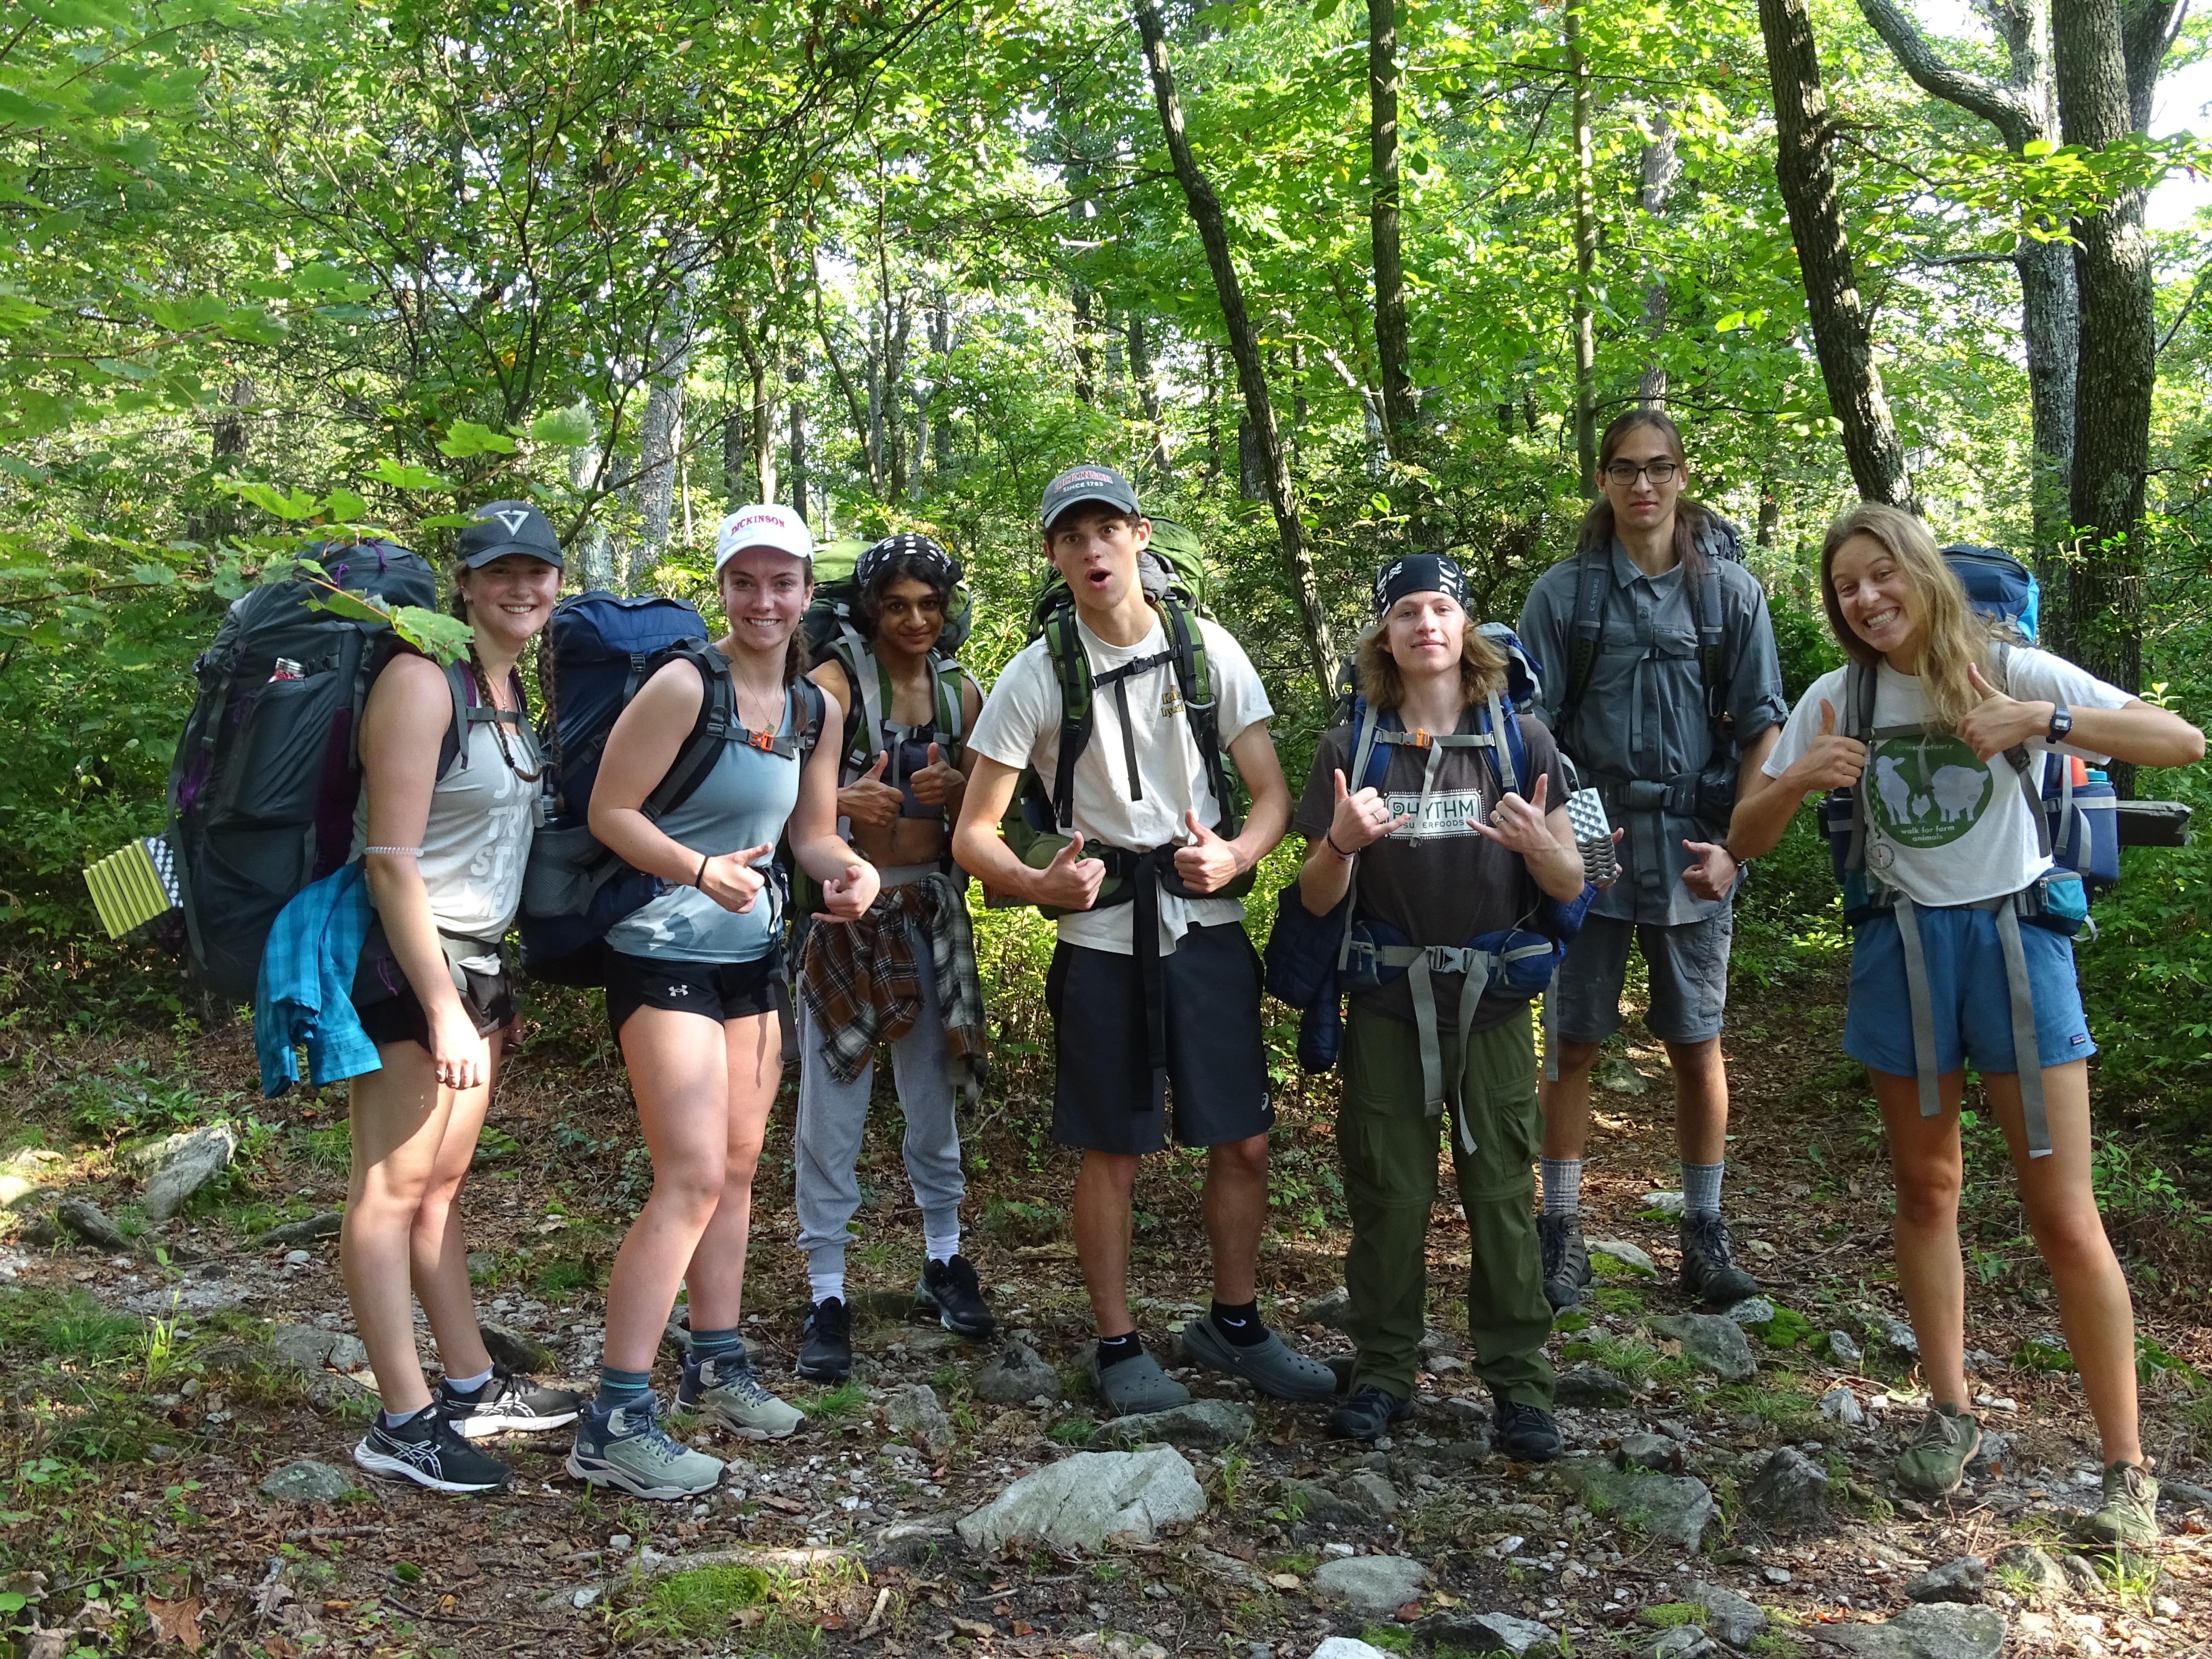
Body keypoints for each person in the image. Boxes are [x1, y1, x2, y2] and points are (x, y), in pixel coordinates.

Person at [1727, 502, 2202, 1542]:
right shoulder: (1835, 695)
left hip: (2019, 947)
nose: (1867, 599)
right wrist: (1802, 773)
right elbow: (1745, 838)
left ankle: (2127, 1468)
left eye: (1881, 575)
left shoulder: (2013, 668)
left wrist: (2043, 723)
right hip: (1901, 949)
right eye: (1847, 586)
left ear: (1921, 572)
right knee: (1925, 1186)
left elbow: (2181, 742)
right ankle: (1952, 1413)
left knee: (2062, 1210)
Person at [952, 465, 1336, 1415]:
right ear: (1052, 553)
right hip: (1101, 935)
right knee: (1111, 1149)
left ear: (1140, 536)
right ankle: (1117, 1345)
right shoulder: (1038, 673)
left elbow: (1274, 796)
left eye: (1107, 530)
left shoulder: (1207, 651)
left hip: (1204, 927)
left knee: (1242, 1140)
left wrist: (1239, 855)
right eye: (1071, 536)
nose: (1092, 550)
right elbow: (973, 831)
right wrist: (1038, 883)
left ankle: (1234, 1324)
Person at [568, 505, 879, 1499]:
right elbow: (608, 812)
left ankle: (717, 1361)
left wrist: (850, 874)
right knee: (692, 1174)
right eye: (745, 581)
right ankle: (614, 1417)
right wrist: (699, 869)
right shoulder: (680, 685)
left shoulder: (813, 708)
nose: (764, 600)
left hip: (753, 954)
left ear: (805, 593)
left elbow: (815, 833)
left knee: (740, 1166)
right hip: (659, 947)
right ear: (723, 588)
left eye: (782, 582)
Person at [1293, 555, 1585, 1451]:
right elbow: (1312, 899)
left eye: (1443, 608)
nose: (1427, 623)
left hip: (1494, 1007)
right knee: (1389, 1195)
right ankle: (1383, 1372)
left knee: (1501, 1196)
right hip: (1386, 1006)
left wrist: (1541, 847)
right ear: (1385, 632)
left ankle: (1521, 1387)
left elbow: (1581, 881)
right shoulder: (1350, 749)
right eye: (1408, 611)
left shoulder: (1526, 742)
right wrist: (1340, 845)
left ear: (1467, 628)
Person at [1517, 411, 1787, 1310]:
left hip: (1695, 837)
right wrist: (1573, 845)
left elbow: (1764, 731)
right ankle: (1561, 1233)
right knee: (1574, 1040)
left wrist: (1737, 850)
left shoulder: (1731, 595)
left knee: (1695, 1041)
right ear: (1603, 480)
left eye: (1659, 468)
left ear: (1682, 475)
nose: (1643, 485)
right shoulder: (1563, 595)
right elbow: (1533, 729)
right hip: (1592, 828)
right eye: (1626, 470)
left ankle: (1704, 1235)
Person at [346, 501, 584, 1493]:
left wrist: (493, 985)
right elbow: (392, 862)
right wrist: (443, 1003)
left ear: (557, 584)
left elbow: (486, 848)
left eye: (537, 571)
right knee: (389, 1189)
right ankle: (400, 1420)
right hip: (416, 962)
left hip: (475, 961)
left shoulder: (505, 687)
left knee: (440, 1189)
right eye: (500, 572)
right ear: (465, 582)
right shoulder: (419, 681)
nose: (520, 588)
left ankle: (472, 1385)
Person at [793, 532, 992, 1382]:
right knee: (832, 1111)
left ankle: (944, 1256)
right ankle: (826, 1290)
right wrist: (838, 799)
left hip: (930, 911)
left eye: (930, 604)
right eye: (898, 605)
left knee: (933, 1097)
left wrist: (961, 798)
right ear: (869, 610)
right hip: (844, 920)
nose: (916, 620)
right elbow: (778, 807)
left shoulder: (964, 695)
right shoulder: (831, 690)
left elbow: (994, 815)